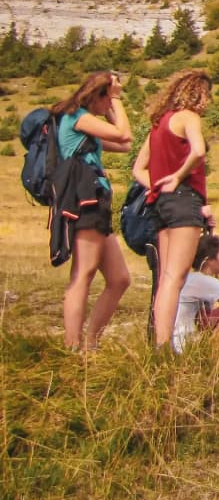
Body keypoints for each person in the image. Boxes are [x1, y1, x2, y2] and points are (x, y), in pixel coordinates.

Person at [132, 69, 215, 350]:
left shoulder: (159, 124)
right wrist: (179, 176)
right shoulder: (189, 117)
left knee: (165, 278)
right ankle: (165, 346)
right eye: (207, 94)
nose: (209, 101)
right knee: (175, 277)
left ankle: (159, 342)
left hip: (161, 204)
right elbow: (199, 150)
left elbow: (137, 169)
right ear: (197, 92)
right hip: (184, 201)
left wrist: (157, 186)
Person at [52, 71, 132, 349]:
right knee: (83, 273)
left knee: (120, 279)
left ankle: (90, 343)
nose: (107, 107)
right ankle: (73, 346)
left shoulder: (87, 126)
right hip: (84, 202)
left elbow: (125, 144)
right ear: (97, 96)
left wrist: (110, 106)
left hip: (97, 203)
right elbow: (125, 132)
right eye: (105, 101)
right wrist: (116, 98)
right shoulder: (77, 117)